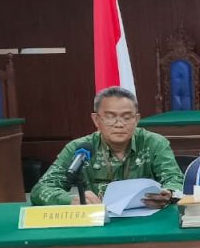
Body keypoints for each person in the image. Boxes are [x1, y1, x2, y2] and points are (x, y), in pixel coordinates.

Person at [31, 87, 184, 206]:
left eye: (127, 117)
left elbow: (175, 180)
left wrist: (169, 193)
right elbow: (41, 190)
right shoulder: (80, 149)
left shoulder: (154, 143)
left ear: (136, 119)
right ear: (96, 120)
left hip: (146, 219)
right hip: (98, 221)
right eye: (110, 117)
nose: (119, 124)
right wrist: (70, 200)